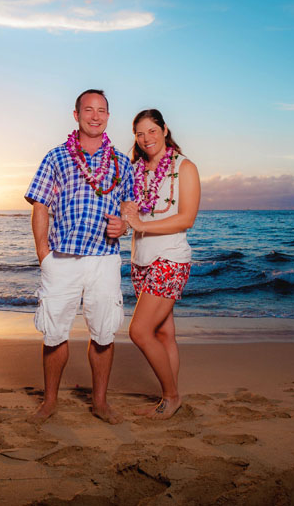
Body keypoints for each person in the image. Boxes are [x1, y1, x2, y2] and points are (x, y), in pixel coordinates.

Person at [24, 89, 134, 425]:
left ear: (108, 117)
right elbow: (40, 205)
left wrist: (125, 223)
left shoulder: (121, 163)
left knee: (103, 332)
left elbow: (129, 205)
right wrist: (44, 254)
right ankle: (49, 402)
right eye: (89, 109)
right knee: (54, 332)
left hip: (104, 258)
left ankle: (100, 403)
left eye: (102, 110)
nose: (95, 115)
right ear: (76, 114)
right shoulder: (57, 157)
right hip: (63, 258)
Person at [120, 109, 200, 420]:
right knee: (164, 333)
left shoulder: (185, 167)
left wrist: (141, 225)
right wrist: (126, 219)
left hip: (170, 258)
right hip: (140, 261)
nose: (146, 138)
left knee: (139, 331)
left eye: (152, 131)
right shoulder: (134, 170)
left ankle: (171, 396)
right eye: (139, 134)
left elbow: (186, 218)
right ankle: (170, 398)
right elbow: (130, 214)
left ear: (165, 130)